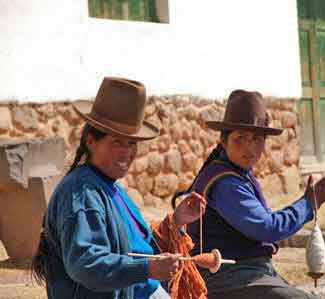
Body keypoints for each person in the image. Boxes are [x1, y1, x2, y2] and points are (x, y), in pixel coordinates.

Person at [31, 77, 207, 299]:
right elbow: (85, 263)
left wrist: (176, 222)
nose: (127, 152)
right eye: (117, 142)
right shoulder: (82, 194)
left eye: (131, 143)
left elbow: (134, 246)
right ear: (91, 141)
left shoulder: (108, 186)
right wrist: (147, 269)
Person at [171, 89, 325, 299]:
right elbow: (267, 228)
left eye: (257, 139)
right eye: (240, 138)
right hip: (223, 276)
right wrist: (307, 205)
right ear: (224, 141)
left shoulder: (236, 173)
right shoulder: (226, 183)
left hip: (245, 273)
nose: (249, 148)